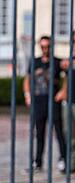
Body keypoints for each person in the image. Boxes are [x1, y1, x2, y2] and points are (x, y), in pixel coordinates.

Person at [23, 35, 67, 172]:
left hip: (53, 101)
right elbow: (27, 79)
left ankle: (63, 159)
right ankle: (38, 162)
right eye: (43, 47)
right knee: (39, 132)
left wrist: (63, 91)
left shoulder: (57, 61)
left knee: (59, 131)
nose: (45, 49)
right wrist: (27, 94)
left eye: (47, 47)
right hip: (39, 101)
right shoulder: (35, 62)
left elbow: (67, 76)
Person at [58, 31, 75, 173]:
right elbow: (65, 80)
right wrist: (63, 92)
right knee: (68, 134)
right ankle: (71, 164)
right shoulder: (67, 61)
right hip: (69, 101)